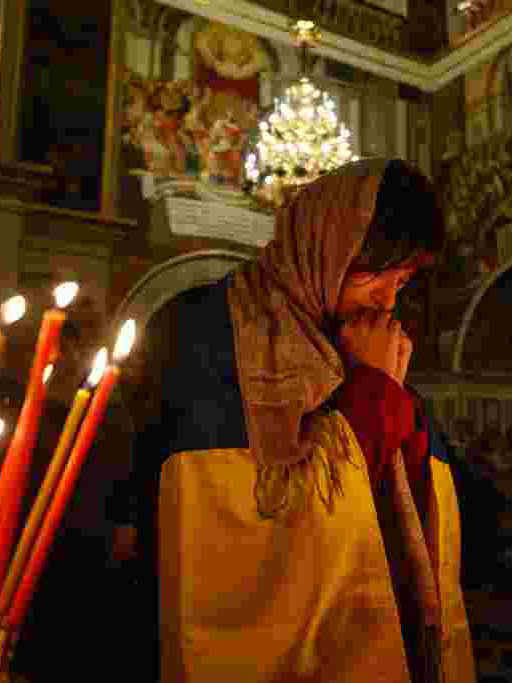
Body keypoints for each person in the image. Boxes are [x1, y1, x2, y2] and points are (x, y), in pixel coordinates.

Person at [125, 158, 475, 682]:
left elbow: (414, 503)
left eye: (401, 281)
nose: (388, 299)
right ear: (326, 246)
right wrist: (374, 391)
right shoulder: (205, 327)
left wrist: (385, 389)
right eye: (375, 275)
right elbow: (236, 526)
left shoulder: (364, 340)